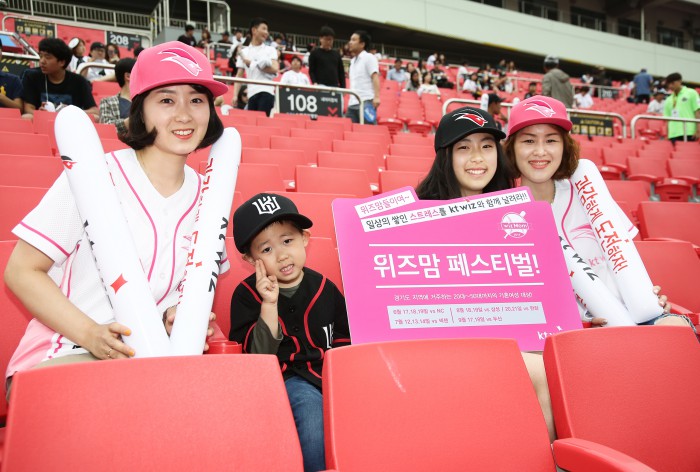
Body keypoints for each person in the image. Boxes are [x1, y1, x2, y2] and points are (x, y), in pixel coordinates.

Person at [4, 41, 229, 398]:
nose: (184, 114)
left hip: (152, 364)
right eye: (166, 100)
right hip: (65, 354)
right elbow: (21, 271)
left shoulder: (210, 195)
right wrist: (90, 334)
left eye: (197, 100)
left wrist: (174, 316)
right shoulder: (94, 175)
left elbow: (183, 292)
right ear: (140, 110)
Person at [414, 107, 556, 439]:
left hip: (507, 338)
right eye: (464, 147)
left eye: (487, 146)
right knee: (539, 369)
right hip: (441, 343)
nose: (477, 158)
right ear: (446, 156)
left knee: (556, 361)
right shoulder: (417, 215)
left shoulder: (517, 214)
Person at [502, 95, 691, 331]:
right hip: (569, 329)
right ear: (512, 148)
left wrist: (650, 296)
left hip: (637, 313)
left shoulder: (587, 189)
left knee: (675, 327)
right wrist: (582, 322)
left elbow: (627, 256)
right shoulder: (506, 214)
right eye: (529, 141)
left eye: (551, 140)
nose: (540, 151)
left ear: (564, 146)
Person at [229, 193, 350, 472]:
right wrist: (269, 304)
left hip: (329, 378)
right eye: (266, 249)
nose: (282, 254)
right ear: (250, 259)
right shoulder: (246, 295)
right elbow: (257, 357)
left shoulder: (325, 287)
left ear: (305, 238)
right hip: (280, 380)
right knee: (310, 408)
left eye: (287, 241)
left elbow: (344, 342)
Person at [21, 38, 98, 119]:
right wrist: (41, 114)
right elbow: (28, 109)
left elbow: (95, 111)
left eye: (47, 57)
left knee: (95, 118)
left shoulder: (79, 81)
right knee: (27, 117)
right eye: (41, 56)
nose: (42, 61)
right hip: (42, 120)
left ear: (62, 62)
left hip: (70, 121)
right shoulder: (32, 76)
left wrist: (70, 112)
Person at [233, 17, 279, 116]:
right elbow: (239, 75)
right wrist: (235, 95)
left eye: (267, 30)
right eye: (264, 29)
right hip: (251, 94)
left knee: (262, 121)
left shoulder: (270, 50)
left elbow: (275, 68)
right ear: (254, 30)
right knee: (253, 122)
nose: (266, 32)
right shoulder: (244, 52)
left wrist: (253, 63)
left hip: (266, 91)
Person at [346, 30, 380, 124]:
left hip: (366, 102)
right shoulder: (352, 61)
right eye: (350, 40)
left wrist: (377, 97)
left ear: (362, 44)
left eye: (353, 40)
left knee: (367, 130)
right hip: (352, 103)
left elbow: (375, 77)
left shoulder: (369, 57)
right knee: (350, 130)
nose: (350, 42)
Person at [99, 57, 136, 135]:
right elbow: (106, 128)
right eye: (139, 73)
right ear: (128, 76)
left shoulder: (146, 100)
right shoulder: (107, 102)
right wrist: (131, 121)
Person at [663, 72, 700, 142]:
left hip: (689, 132)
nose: (670, 86)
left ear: (680, 81)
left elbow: (697, 112)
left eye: (672, 83)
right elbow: (667, 120)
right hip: (672, 134)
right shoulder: (668, 100)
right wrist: (667, 135)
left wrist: (698, 130)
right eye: (669, 84)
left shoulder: (692, 93)